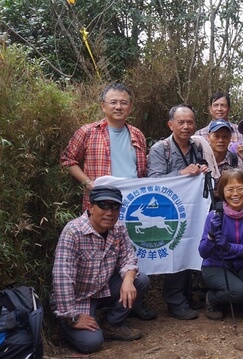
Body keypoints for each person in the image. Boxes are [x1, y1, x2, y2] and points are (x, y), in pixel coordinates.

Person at [51, 186, 150, 354]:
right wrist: (71, 316)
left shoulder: (118, 228)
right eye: (103, 205)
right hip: (78, 298)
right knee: (92, 343)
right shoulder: (73, 231)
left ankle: (112, 323)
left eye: (115, 207)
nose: (109, 212)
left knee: (140, 280)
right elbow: (62, 277)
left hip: (103, 288)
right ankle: (66, 324)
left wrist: (127, 279)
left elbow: (129, 258)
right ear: (90, 207)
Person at [147, 104, 209, 320]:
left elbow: (199, 171)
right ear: (170, 124)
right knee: (175, 252)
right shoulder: (159, 149)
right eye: (181, 122)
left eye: (190, 122)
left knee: (190, 249)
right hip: (167, 211)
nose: (186, 126)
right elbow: (152, 181)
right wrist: (181, 173)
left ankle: (185, 294)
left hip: (190, 209)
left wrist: (201, 170)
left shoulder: (196, 147)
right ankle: (174, 301)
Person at [61, 83, 146, 211]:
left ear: (130, 107)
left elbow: (143, 171)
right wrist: (87, 183)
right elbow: (67, 160)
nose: (118, 107)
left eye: (123, 103)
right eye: (113, 102)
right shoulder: (88, 132)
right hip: (100, 202)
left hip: (132, 202)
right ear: (103, 106)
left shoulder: (137, 135)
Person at [199, 169, 243, 320]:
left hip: (242, 264)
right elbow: (203, 253)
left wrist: (229, 247)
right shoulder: (214, 216)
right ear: (222, 192)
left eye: (240, 188)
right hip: (216, 265)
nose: (235, 194)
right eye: (230, 189)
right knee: (237, 292)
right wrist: (211, 236)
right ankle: (212, 299)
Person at [207, 119, 243, 197]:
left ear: (230, 138)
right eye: (216, 136)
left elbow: (241, 186)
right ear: (208, 137)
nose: (221, 140)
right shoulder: (201, 159)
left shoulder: (235, 160)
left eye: (225, 137)